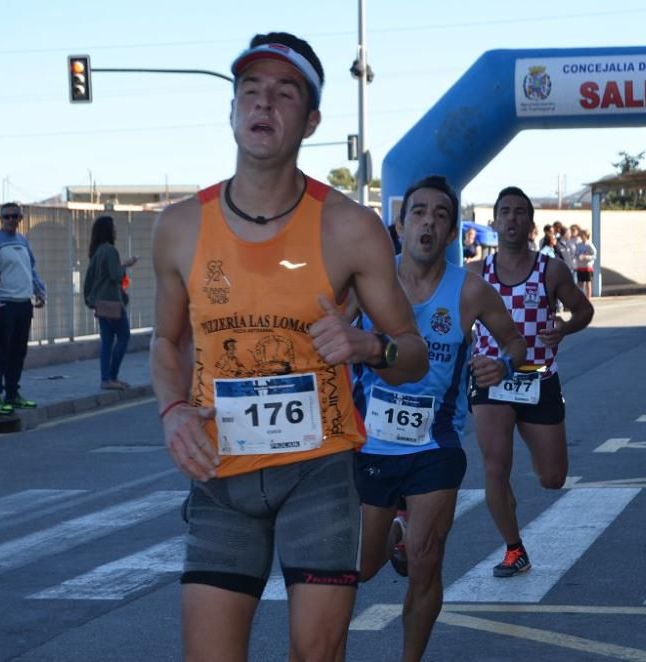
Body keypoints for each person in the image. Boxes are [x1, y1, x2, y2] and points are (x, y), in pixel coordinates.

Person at [149, 32, 429, 662]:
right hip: (221, 473)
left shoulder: (350, 227)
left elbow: (414, 355)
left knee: (314, 656)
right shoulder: (179, 227)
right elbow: (165, 344)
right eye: (250, 90)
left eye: (284, 92)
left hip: (320, 471)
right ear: (231, 111)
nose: (263, 104)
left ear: (311, 120)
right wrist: (170, 413)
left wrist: (367, 345)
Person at [353, 176, 526, 661]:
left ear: (451, 234)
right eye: (419, 212)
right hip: (370, 445)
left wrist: (503, 364)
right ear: (400, 224)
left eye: (441, 215)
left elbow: (513, 340)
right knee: (363, 569)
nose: (428, 222)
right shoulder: (367, 282)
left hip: (435, 444)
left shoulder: (470, 291)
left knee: (427, 564)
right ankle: (392, 533)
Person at [466, 186, 594, 577]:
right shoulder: (475, 274)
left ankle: (513, 517)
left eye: (520, 212)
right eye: (505, 212)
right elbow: (454, 321)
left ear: (531, 224)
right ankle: (513, 548)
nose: (512, 219)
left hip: (537, 378)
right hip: (492, 379)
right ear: (494, 221)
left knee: (553, 478)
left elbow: (583, 309)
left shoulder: (550, 269)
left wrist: (565, 327)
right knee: (494, 466)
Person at [0, 202, 46, 414]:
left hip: (23, 303)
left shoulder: (22, 241)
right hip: (5, 303)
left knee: (18, 351)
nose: (11, 220)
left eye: (14, 216)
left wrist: (39, 290)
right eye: (6, 216)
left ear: (20, 219)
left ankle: (13, 393)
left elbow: (31, 269)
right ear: (0, 219)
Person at [83, 215, 137, 390]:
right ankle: (112, 376)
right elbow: (115, 275)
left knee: (106, 341)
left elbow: (93, 278)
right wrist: (126, 265)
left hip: (100, 303)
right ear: (108, 230)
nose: (115, 230)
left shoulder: (96, 252)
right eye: (113, 227)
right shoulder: (110, 250)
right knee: (123, 337)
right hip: (112, 302)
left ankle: (106, 379)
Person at [573, 229, 597, 299]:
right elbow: (575, 254)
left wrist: (586, 257)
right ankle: (580, 297)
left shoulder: (590, 245)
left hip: (587, 267)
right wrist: (578, 256)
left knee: (588, 282)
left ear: (587, 236)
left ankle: (588, 298)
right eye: (581, 235)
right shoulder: (578, 245)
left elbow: (594, 256)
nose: (582, 236)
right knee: (580, 283)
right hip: (580, 266)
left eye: (583, 235)